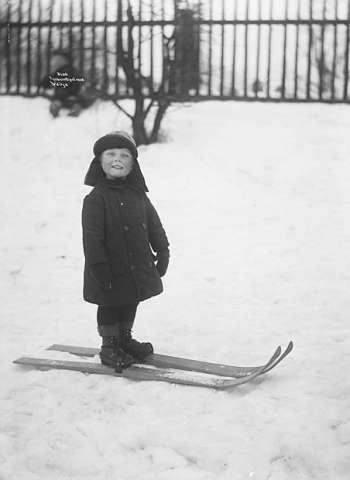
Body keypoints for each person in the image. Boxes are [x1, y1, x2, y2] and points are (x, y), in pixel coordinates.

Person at [82, 131, 170, 372]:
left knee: (131, 299)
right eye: (110, 154)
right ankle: (110, 346)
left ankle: (124, 339)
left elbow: (154, 225)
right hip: (107, 267)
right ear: (99, 162)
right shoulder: (95, 199)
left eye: (124, 155)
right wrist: (99, 268)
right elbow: (92, 238)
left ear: (133, 164)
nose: (117, 159)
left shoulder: (138, 195)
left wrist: (163, 251)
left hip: (137, 263)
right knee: (110, 303)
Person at [41, 50, 87, 117]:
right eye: (57, 60)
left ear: (66, 61)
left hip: (63, 94)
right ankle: (76, 107)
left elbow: (48, 83)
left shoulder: (60, 71)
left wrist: (46, 80)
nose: (56, 62)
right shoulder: (73, 70)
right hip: (72, 94)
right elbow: (81, 80)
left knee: (59, 98)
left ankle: (56, 105)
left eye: (59, 60)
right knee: (77, 100)